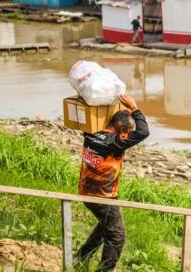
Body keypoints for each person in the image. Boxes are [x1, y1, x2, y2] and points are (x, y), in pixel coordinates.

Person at [75, 94, 149, 271]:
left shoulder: (91, 133)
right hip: (103, 197)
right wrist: (134, 107)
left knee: (104, 227)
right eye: (128, 133)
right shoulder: (114, 143)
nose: (129, 137)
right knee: (116, 236)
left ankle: (80, 257)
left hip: (86, 192)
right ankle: (104, 270)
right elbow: (143, 132)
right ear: (122, 130)